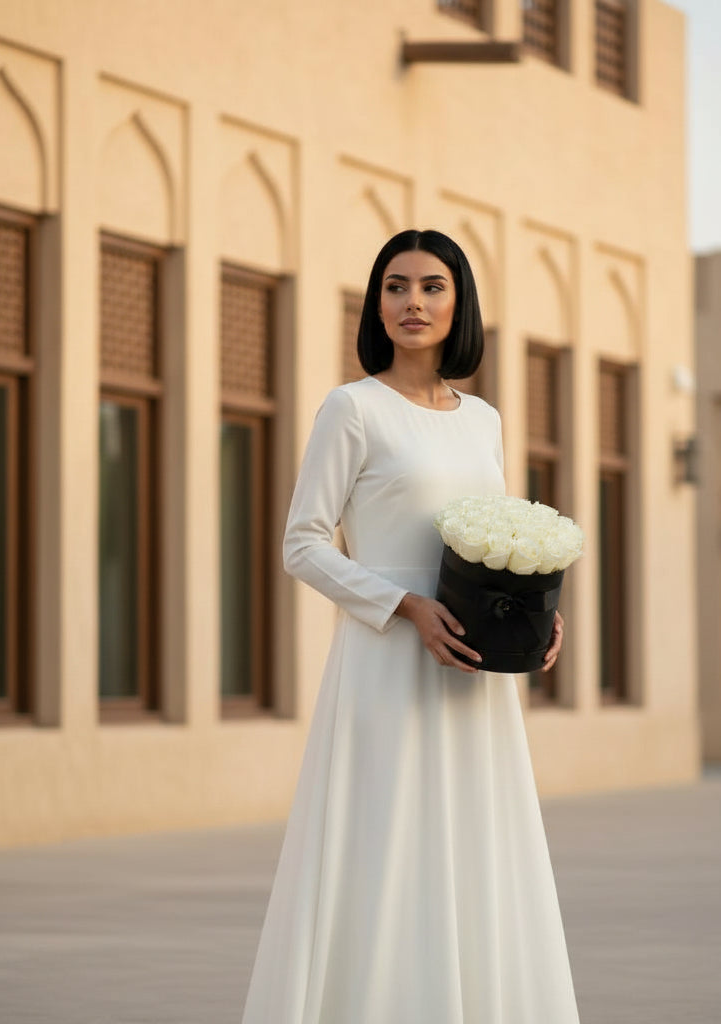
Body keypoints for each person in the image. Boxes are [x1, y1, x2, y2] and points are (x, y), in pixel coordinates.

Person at [240, 229, 580, 1023]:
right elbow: (302, 543)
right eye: (395, 287)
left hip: (471, 672)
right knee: (385, 846)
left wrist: (536, 614)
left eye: (431, 286)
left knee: (473, 847)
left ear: (459, 302)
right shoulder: (352, 408)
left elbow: (495, 534)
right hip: (387, 663)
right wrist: (403, 606)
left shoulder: (484, 420)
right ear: (376, 302)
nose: (412, 303)